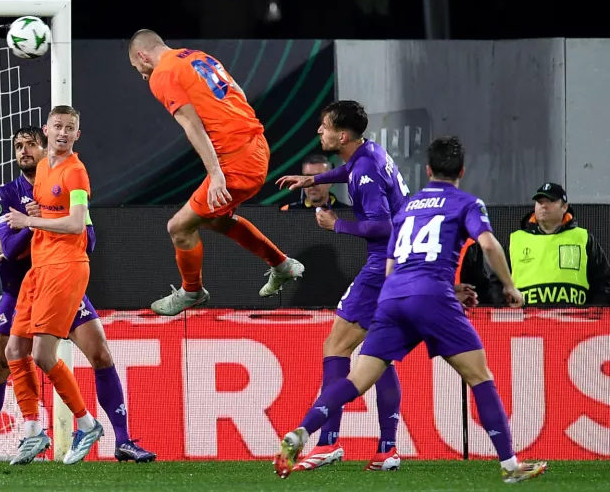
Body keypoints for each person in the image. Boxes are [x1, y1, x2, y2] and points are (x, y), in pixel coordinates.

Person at [274, 136, 547, 484]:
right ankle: (510, 466)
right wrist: (509, 286)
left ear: (428, 170)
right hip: (433, 297)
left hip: (391, 297)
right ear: (461, 170)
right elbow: (489, 243)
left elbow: (393, 264)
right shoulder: (467, 203)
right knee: (479, 377)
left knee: (357, 379)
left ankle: (302, 431)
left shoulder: (408, 206)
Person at [0, 125, 155, 465]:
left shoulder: (65, 185)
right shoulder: (7, 193)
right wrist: (34, 224)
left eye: (30, 145)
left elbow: (88, 238)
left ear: (44, 145)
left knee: (100, 354)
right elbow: (10, 246)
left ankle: (122, 440)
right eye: (17, 146)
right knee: (1, 362)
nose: (23, 152)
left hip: (60, 281)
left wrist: (40, 219)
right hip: (20, 288)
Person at [127, 30, 304, 316]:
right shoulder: (196, 57)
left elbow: (191, 124)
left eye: (139, 70)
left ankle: (192, 291)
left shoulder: (162, 74)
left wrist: (217, 173)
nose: (143, 76)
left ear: (142, 56)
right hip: (255, 146)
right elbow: (238, 93)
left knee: (179, 228)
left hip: (236, 162)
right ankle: (282, 265)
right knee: (215, 220)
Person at [275, 101, 406, 470]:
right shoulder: (370, 151)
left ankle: (329, 441)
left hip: (383, 264)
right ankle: (387, 449)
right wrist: (313, 180)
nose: (320, 131)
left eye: (325, 126)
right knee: (377, 353)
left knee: (335, 347)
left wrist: (338, 226)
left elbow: (383, 226)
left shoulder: (365, 172)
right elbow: (348, 168)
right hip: (401, 263)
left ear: (342, 135)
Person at [0, 106, 104, 466]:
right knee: (14, 351)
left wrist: (29, 219)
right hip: (40, 267)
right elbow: (49, 212)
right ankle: (33, 430)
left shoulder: (76, 173)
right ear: (47, 130)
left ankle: (87, 424)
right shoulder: (43, 167)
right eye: (57, 126)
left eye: (70, 128)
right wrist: (38, 214)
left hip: (65, 267)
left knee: (43, 356)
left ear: (78, 134)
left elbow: (76, 224)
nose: (63, 132)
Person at [488, 183, 610, 306]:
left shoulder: (583, 238)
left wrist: (595, 314)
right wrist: (504, 310)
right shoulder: (515, 240)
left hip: (574, 322)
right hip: (526, 323)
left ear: (564, 207)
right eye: (539, 201)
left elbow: (603, 281)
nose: (544, 206)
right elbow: (496, 281)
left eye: (550, 201)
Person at [280, 154, 347, 211]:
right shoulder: (287, 211)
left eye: (319, 177)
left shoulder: (349, 213)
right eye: (307, 177)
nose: (312, 183)